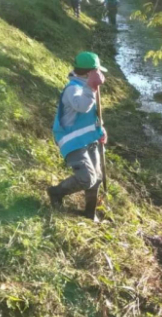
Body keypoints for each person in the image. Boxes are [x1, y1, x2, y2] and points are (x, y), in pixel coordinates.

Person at [48, 52, 107, 221]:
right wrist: (91, 87)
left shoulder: (88, 87)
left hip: (89, 139)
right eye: (97, 72)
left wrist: (101, 130)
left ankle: (90, 213)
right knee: (87, 178)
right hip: (72, 141)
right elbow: (82, 107)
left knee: (97, 178)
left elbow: (93, 115)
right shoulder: (73, 89)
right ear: (90, 73)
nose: (100, 75)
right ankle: (55, 193)